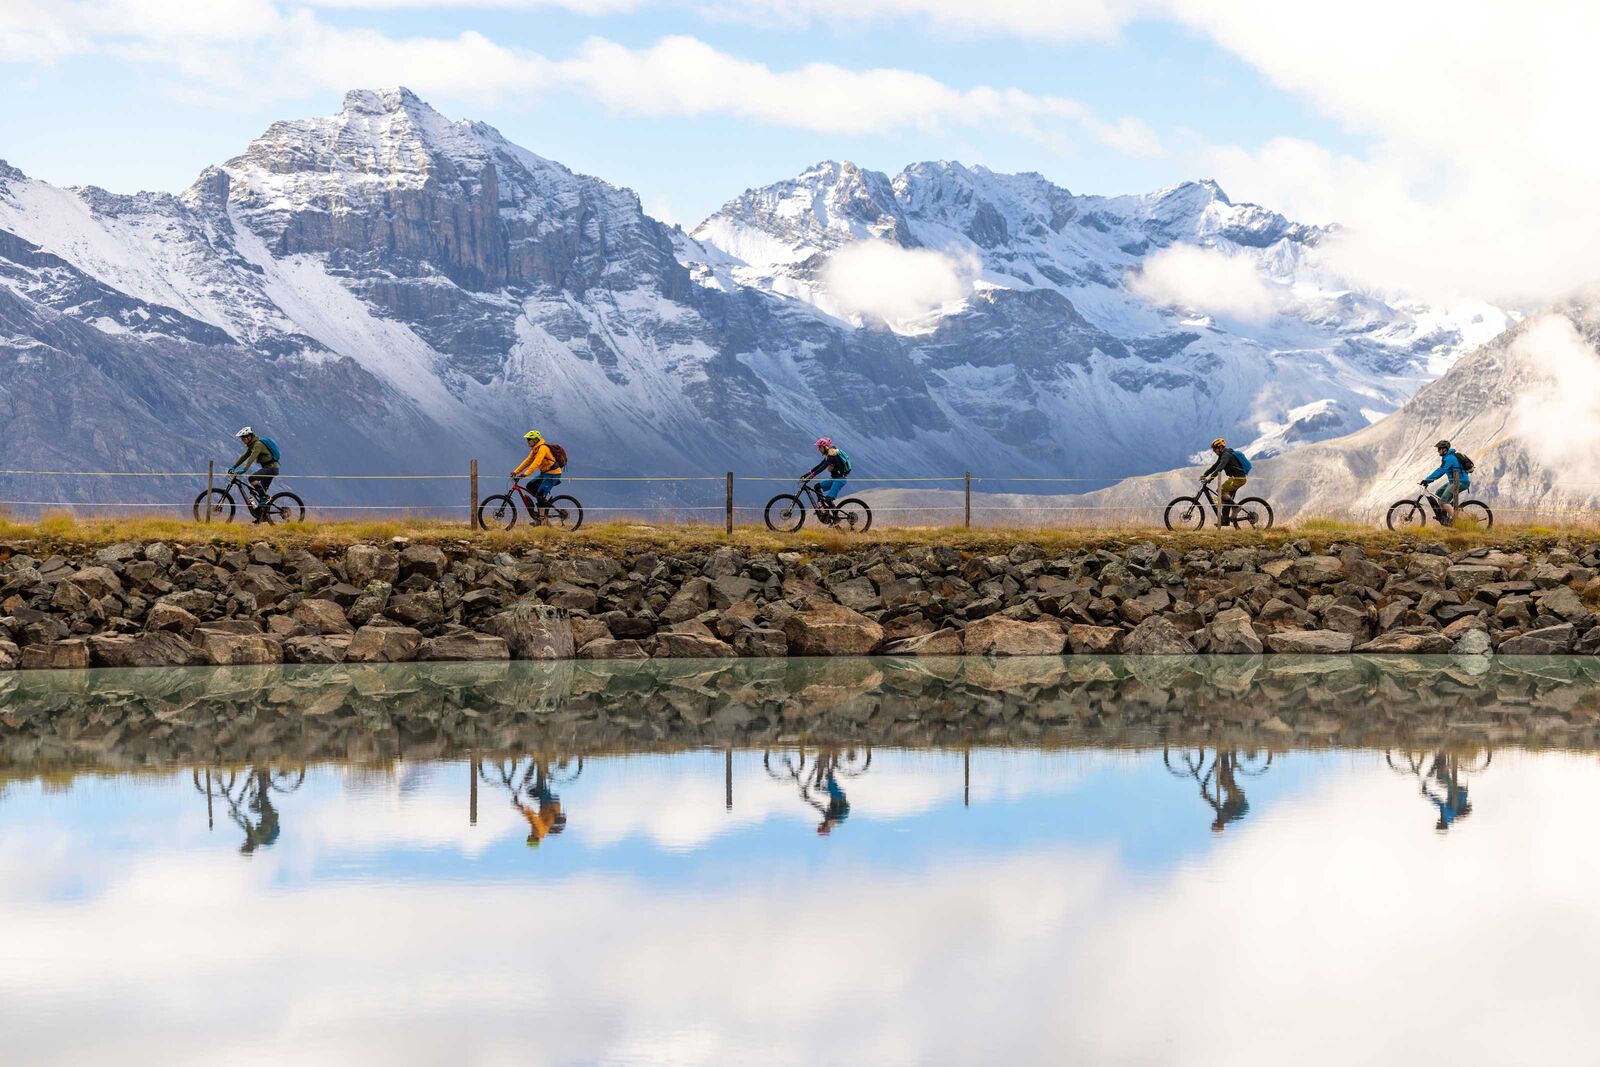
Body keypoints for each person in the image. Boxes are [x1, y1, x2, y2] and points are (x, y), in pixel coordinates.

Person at [228, 426, 280, 523]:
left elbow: (252, 457)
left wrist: (244, 469)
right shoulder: (252, 445)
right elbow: (244, 456)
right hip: (268, 468)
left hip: (271, 468)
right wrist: (234, 466)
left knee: (252, 478)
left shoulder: (258, 444)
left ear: (249, 437)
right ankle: (262, 517)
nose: (242, 440)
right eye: (242, 439)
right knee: (259, 493)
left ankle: (264, 498)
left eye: (243, 438)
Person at [1199, 437, 1249, 526]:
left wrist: (1211, 478)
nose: (1214, 451)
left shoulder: (1226, 455)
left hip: (1238, 479)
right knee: (1225, 499)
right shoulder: (1222, 455)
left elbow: (1220, 468)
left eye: (1215, 449)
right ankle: (1225, 520)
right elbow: (1215, 466)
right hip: (1234, 478)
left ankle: (1236, 507)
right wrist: (1205, 474)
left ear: (1220, 447)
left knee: (1220, 491)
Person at [511, 429, 564, 506]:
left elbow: (536, 463)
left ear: (536, 440)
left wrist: (525, 474)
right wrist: (515, 472)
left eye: (529, 439)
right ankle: (543, 500)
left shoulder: (543, 448)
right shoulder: (535, 449)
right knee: (530, 486)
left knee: (540, 494)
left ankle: (542, 516)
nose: (527, 441)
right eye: (527, 439)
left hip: (553, 474)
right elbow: (527, 461)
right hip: (544, 473)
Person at [1421, 439, 1469, 521]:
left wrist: (1427, 480)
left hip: (1461, 482)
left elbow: (1441, 471)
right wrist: (1428, 479)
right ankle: (1444, 516)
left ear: (1444, 449)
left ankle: (1457, 522)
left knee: (1443, 501)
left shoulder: (1450, 458)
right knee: (1439, 494)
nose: (1437, 451)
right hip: (1454, 481)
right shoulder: (1447, 457)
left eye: (1439, 449)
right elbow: (1441, 469)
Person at [802, 437, 852, 510]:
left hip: (839, 480)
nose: (818, 449)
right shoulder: (828, 455)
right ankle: (823, 508)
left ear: (825, 446)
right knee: (817, 487)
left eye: (819, 447)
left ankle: (835, 516)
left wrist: (811, 476)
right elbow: (820, 465)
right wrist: (807, 474)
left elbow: (823, 467)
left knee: (828, 499)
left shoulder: (832, 455)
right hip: (835, 478)